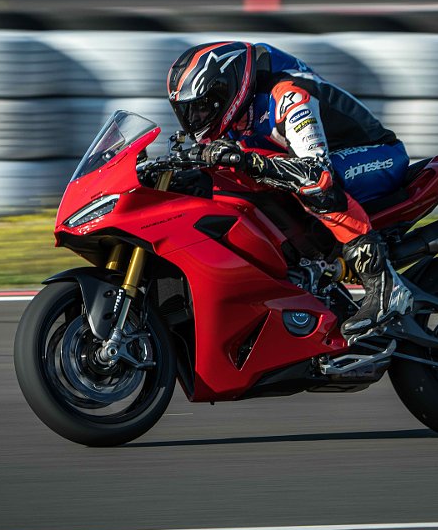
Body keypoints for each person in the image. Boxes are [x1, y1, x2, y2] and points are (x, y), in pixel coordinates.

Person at [167, 41, 412, 343]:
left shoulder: (288, 95)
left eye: (203, 106)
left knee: (315, 184)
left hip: (378, 155)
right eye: (188, 111)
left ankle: (385, 286)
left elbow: (316, 172)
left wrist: (248, 160)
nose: (196, 117)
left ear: (228, 90)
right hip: (320, 162)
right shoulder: (232, 116)